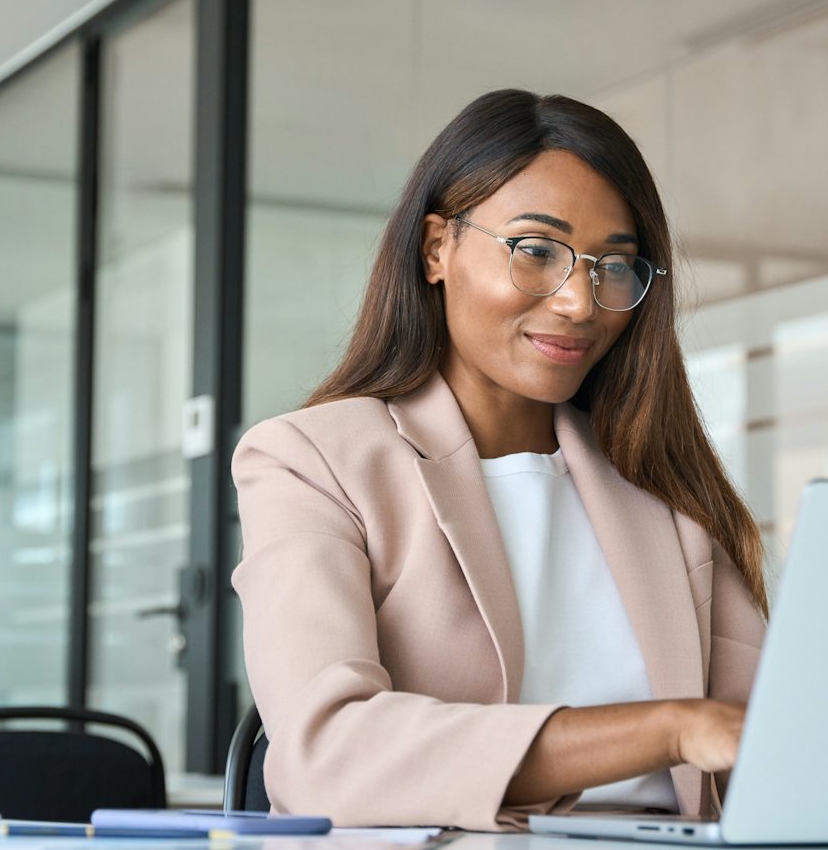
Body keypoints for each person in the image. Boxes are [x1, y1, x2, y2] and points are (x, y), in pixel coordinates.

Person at [230, 88, 769, 831]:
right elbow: (328, 756)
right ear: (435, 250)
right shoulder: (315, 461)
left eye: (615, 266)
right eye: (537, 251)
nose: (581, 301)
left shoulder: (663, 495)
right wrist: (668, 728)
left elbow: (767, 734)